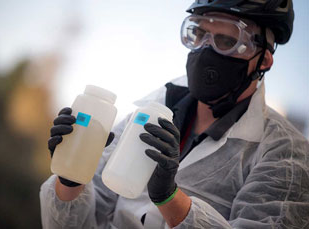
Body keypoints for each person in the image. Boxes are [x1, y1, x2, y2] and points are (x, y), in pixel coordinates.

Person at [40, 0, 309, 228]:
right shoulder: (149, 112)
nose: (205, 49)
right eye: (199, 33)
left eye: (227, 40)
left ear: (263, 60)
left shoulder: (286, 153)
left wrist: (170, 199)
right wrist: (71, 180)